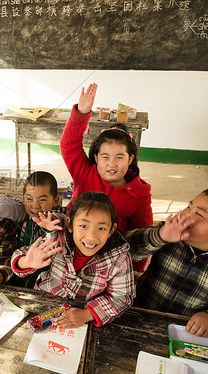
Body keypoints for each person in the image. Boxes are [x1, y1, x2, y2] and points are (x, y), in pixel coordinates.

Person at [126, 188, 208, 337]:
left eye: (198, 213)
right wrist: (160, 236)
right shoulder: (167, 232)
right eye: (189, 206)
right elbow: (123, 251)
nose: (184, 214)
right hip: (139, 313)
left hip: (185, 334)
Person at [60, 83, 152, 278]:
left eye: (119, 157)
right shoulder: (85, 173)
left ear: (131, 159)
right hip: (70, 248)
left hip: (109, 262)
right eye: (105, 157)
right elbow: (69, 144)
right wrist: (81, 113)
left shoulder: (139, 194)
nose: (112, 164)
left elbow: (142, 236)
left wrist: (135, 271)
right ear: (95, 157)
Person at [11, 192, 134, 328]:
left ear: (111, 230)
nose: (91, 237)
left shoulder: (119, 257)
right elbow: (23, 257)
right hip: (43, 303)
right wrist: (25, 262)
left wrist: (87, 314)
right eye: (83, 226)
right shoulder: (57, 239)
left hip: (82, 318)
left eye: (101, 228)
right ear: (70, 225)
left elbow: (121, 298)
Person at [0, 171, 68, 287]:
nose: (35, 205)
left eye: (42, 200)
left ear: (55, 201)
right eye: (29, 199)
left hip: (47, 286)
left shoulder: (61, 219)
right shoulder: (23, 213)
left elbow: (60, 220)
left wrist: (51, 228)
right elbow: (4, 205)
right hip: (20, 279)